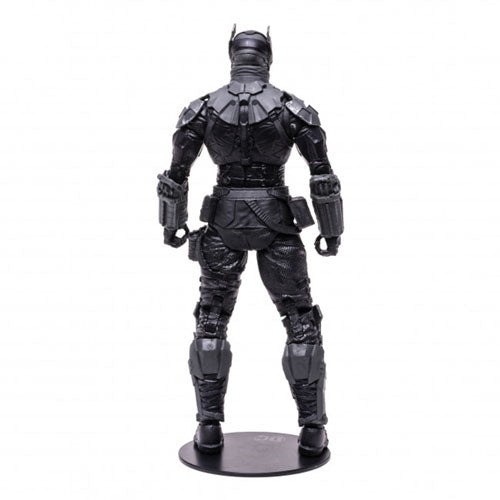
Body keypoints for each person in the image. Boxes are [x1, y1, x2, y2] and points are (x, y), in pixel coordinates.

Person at [157, 27, 343, 456]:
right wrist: (331, 230)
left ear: (232, 56)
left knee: (211, 318)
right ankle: (312, 430)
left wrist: (172, 224)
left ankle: (208, 427)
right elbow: (323, 174)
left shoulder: (203, 109)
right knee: (299, 318)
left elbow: (176, 174)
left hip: (223, 220)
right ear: (267, 58)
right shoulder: (291, 109)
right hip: (276, 220)